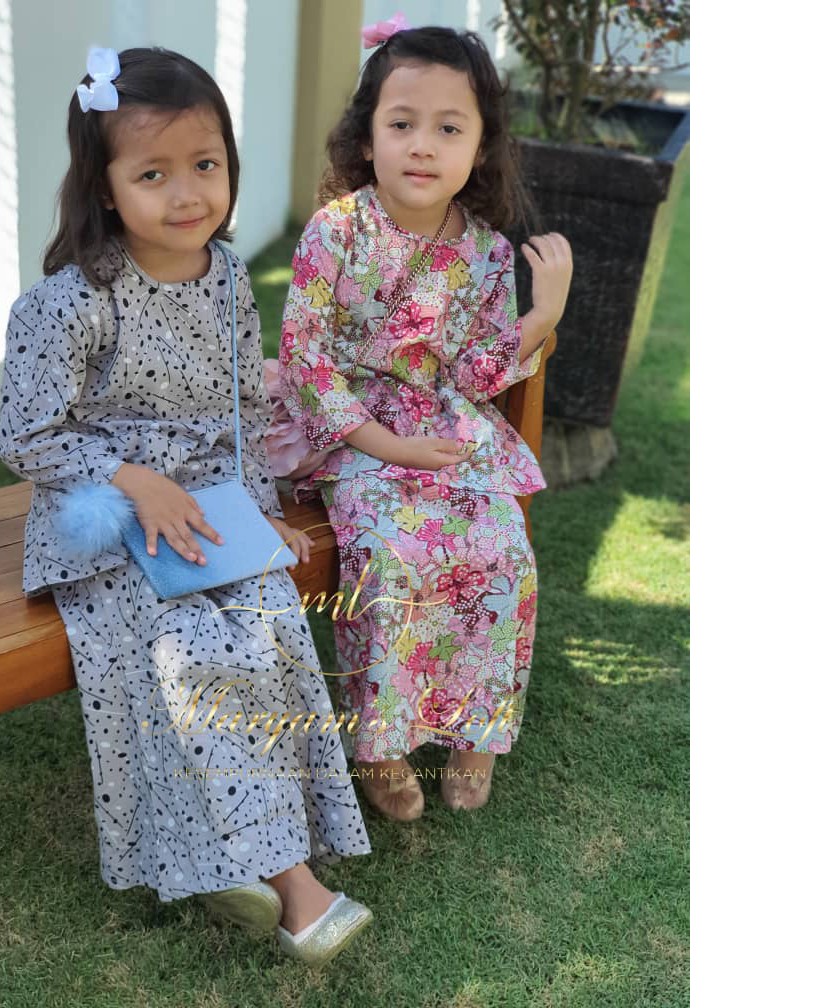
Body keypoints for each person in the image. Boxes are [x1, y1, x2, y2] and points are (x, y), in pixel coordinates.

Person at [0, 46, 372, 965]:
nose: (186, 193)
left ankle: (226, 863)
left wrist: (258, 506)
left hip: (210, 506)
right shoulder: (68, 304)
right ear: (105, 184)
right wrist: (135, 479)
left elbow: (242, 414)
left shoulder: (229, 277)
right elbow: (26, 437)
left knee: (269, 623)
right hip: (101, 515)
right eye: (152, 173)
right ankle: (294, 887)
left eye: (205, 164)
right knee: (186, 646)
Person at [271, 20, 573, 820]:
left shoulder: (484, 251)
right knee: (391, 556)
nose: (422, 146)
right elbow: (306, 357)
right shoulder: (338, 230)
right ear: (367, 135)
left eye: (449, 128)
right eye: (402, 123)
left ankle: (476, 728)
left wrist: (541, 316)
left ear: (481, 146)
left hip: (445, 427)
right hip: (353, 430)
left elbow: (475, 373)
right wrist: (386, 445)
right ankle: (383, 743)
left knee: (501, 552)